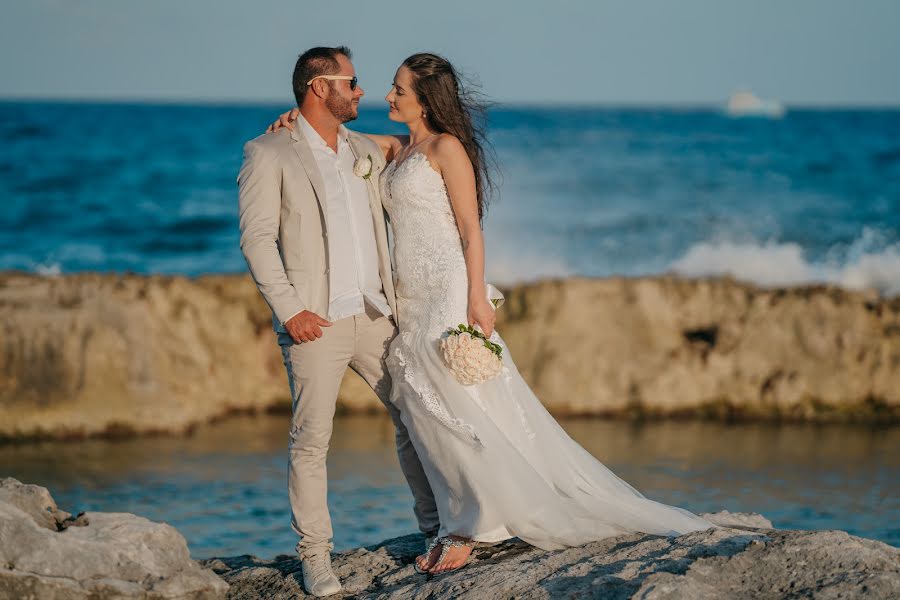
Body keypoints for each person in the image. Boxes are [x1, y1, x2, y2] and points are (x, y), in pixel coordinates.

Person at [267, 52, 715, 578]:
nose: (388, 96)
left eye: (398, 90)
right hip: (406, 295)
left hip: (447, 289)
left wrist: (477, 297)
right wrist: (293, 121)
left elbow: (471, 229)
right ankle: (458, 517)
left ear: (425, 100)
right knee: (423, 408)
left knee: (455, 404)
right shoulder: (398, 147)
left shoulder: (447, 147)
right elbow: (338, 143)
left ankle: (473, 528)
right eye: (388, 88)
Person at [237, 46, 439, 597]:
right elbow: (256, 240)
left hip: (376, 314)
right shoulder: (268, 152)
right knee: (311, 441)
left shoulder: (361, 148)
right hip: (315, 322)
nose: (361, 92)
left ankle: (435, 530)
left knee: (415, 419)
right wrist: (290, 309)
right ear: (319, 87)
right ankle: (315, 557)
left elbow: (419, 153)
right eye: (351, 83)